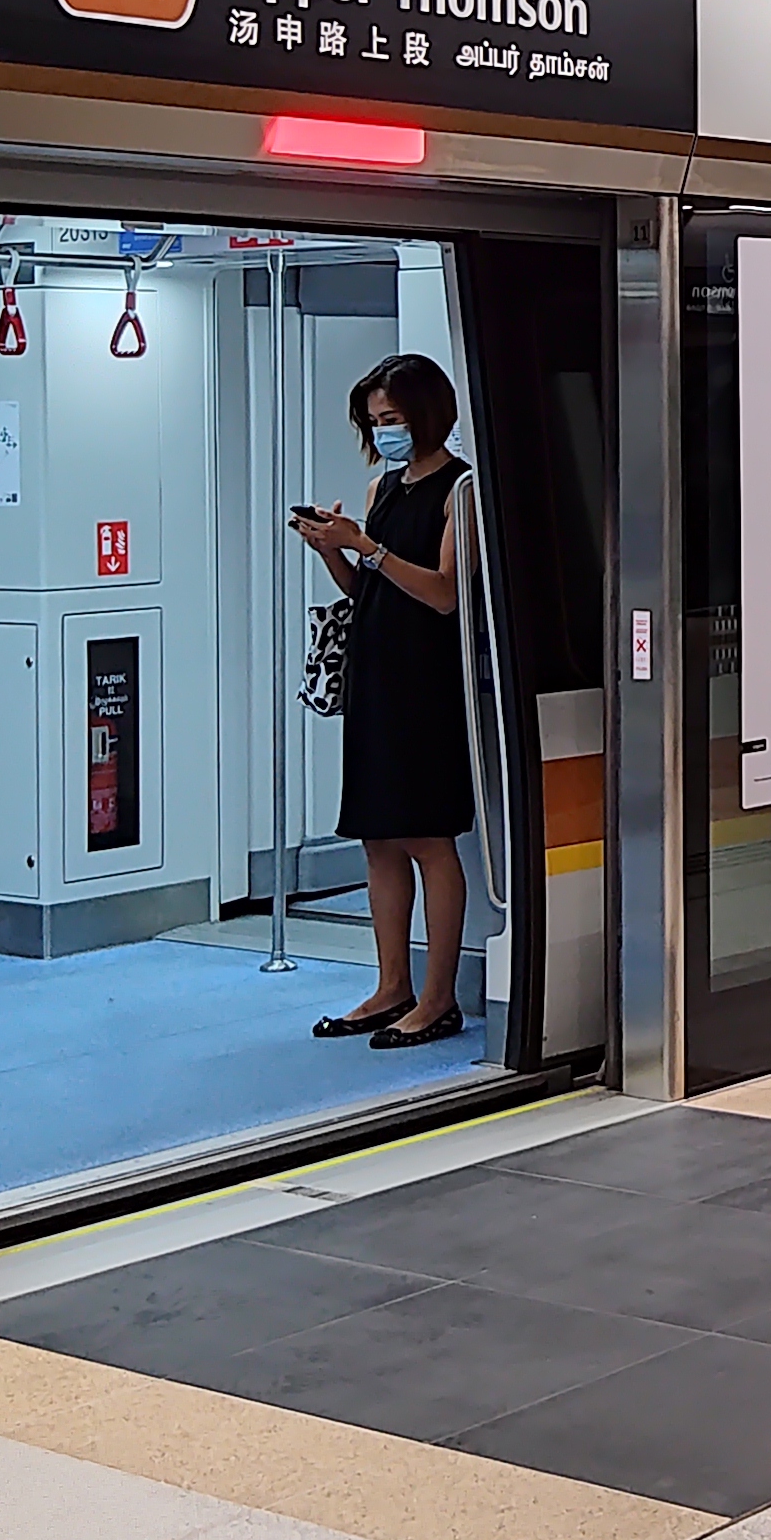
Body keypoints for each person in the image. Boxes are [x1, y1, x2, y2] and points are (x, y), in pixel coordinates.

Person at [290, 352, 479, 1049]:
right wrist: (331, 549)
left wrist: (366, 547)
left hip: (428, 682)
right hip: (375, 676)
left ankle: (438, 996)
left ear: (426, 415)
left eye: (392, 417)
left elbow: (444, 593)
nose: (383, 431)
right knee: (378, 839)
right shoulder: (382, 488)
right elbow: (364, 590)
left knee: (428, 836)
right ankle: (391, 983)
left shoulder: (461, 491)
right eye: (374, 421)